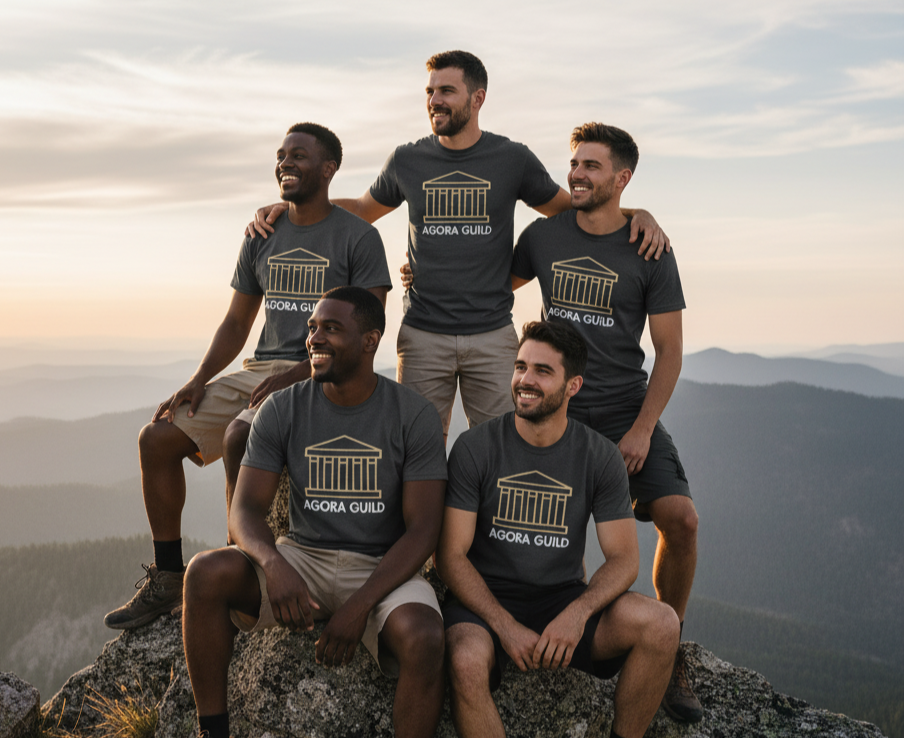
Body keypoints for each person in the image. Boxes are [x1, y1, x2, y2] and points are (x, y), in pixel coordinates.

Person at [249, 51, 668, 442]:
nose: (435, 100)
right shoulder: (407, 160)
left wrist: (636, 213)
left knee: (509, 445)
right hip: (422, 336)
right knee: (415, 448)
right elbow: (361, 208)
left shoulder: (512, 158)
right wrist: (291, 206)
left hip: (492, 335)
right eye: (429, 92)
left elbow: (572, 209)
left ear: (477, 97)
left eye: (446, 91)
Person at [104, 124, 393, 630]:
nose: (285, 163)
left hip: (323, 371)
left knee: (243, 433)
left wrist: (304, 371)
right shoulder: (263, 234)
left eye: (299, 156)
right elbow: (238, 322)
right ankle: (170, 577)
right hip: (258, 369)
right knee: (157, 438)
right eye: (281, 155)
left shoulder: (359, 238)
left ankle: (242, 577)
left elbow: (371, 327)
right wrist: (199, 378)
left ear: (328, 170)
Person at [182, 287, 448, 738]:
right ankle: (214, 731)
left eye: (331, 328)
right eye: (312, 328)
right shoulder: (282, 408)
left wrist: (361, 604)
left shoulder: (413, 415)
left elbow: (423, 530)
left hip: (382, 568)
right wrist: (275, 564)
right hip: (302, 556)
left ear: (370, 340)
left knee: (425, 638)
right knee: (204, 573)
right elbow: (244, 510)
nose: (314, 339)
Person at [510, 123, 701, 722]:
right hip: (558, 403)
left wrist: (643, 429)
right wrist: (423, 276)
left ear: (622, 179)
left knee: (681, 518)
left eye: (592, 167)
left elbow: (669, 351)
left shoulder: (649, 249)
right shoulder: (543, 235)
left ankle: (673, 647)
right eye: (574, 164)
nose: (577, 175)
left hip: (623, 405)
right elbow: (494, 283)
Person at [437, 320, 680, 738]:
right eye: (520, 367)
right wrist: (504, 626)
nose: (525, 381)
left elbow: (624, 560)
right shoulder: (475, 447)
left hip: (563, 599)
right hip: (484, 601)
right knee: (466, 662)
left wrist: (577, 614)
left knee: (662, 624)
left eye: (542, 371)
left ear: (573, 386)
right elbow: (451, 556)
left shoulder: (599, 456)